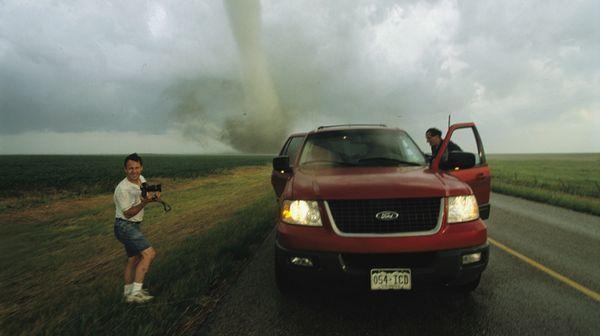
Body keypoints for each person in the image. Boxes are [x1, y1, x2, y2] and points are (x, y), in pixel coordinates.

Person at [113, 153, 160, 303]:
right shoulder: (122, 189)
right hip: (124, 226)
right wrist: (145, 202)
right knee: (149, 254)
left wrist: (154, 196)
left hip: (133, 226)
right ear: (125, 169)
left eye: (137, 167)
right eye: (130, 168)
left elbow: (144, 193)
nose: (134, 171)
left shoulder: (142, 179)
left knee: (133, 259)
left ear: (141, 167)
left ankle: (128, 294)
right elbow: (127, 214)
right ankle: (136, 293)